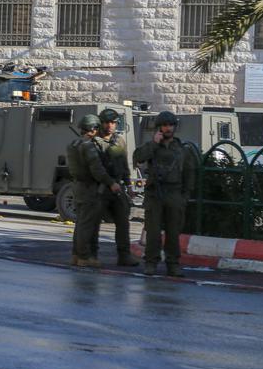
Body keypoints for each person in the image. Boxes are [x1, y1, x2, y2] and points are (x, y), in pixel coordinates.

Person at [133, 111, 197, 277]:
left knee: (173, 232)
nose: (168, 128)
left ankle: (173, 264)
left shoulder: (183, 150)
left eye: (170, 125)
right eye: (164, 125)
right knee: (153, 231)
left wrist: (185, 196)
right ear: (159, 127)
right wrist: (154, 143)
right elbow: (137, 158)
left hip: (174, 193)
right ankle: (151, 263)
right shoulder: (152, 146)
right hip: (155, 194)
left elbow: (189, 173)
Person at [81, 108, 140, 267]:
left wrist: (129, 185)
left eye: (113, 122)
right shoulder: (93, 142)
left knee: (123, 221)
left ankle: (124, 255)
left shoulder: (119, 141)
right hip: (100, 188)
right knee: (94, 223)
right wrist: (109, 183)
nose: (110, 125)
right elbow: (96, 168)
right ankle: (92, 255)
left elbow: (123, 165)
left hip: (117, 187)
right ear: (101, 123)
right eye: (107, 122)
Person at [67, 114, 101, 267]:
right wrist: (110, 182)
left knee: (80, 223)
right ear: (93, 129)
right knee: (86, 225)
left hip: (78, 186)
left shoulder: (73, 144)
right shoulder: (88, 146)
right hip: (89, 187)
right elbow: (96, 169)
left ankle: (76, 255)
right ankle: (84, 257)